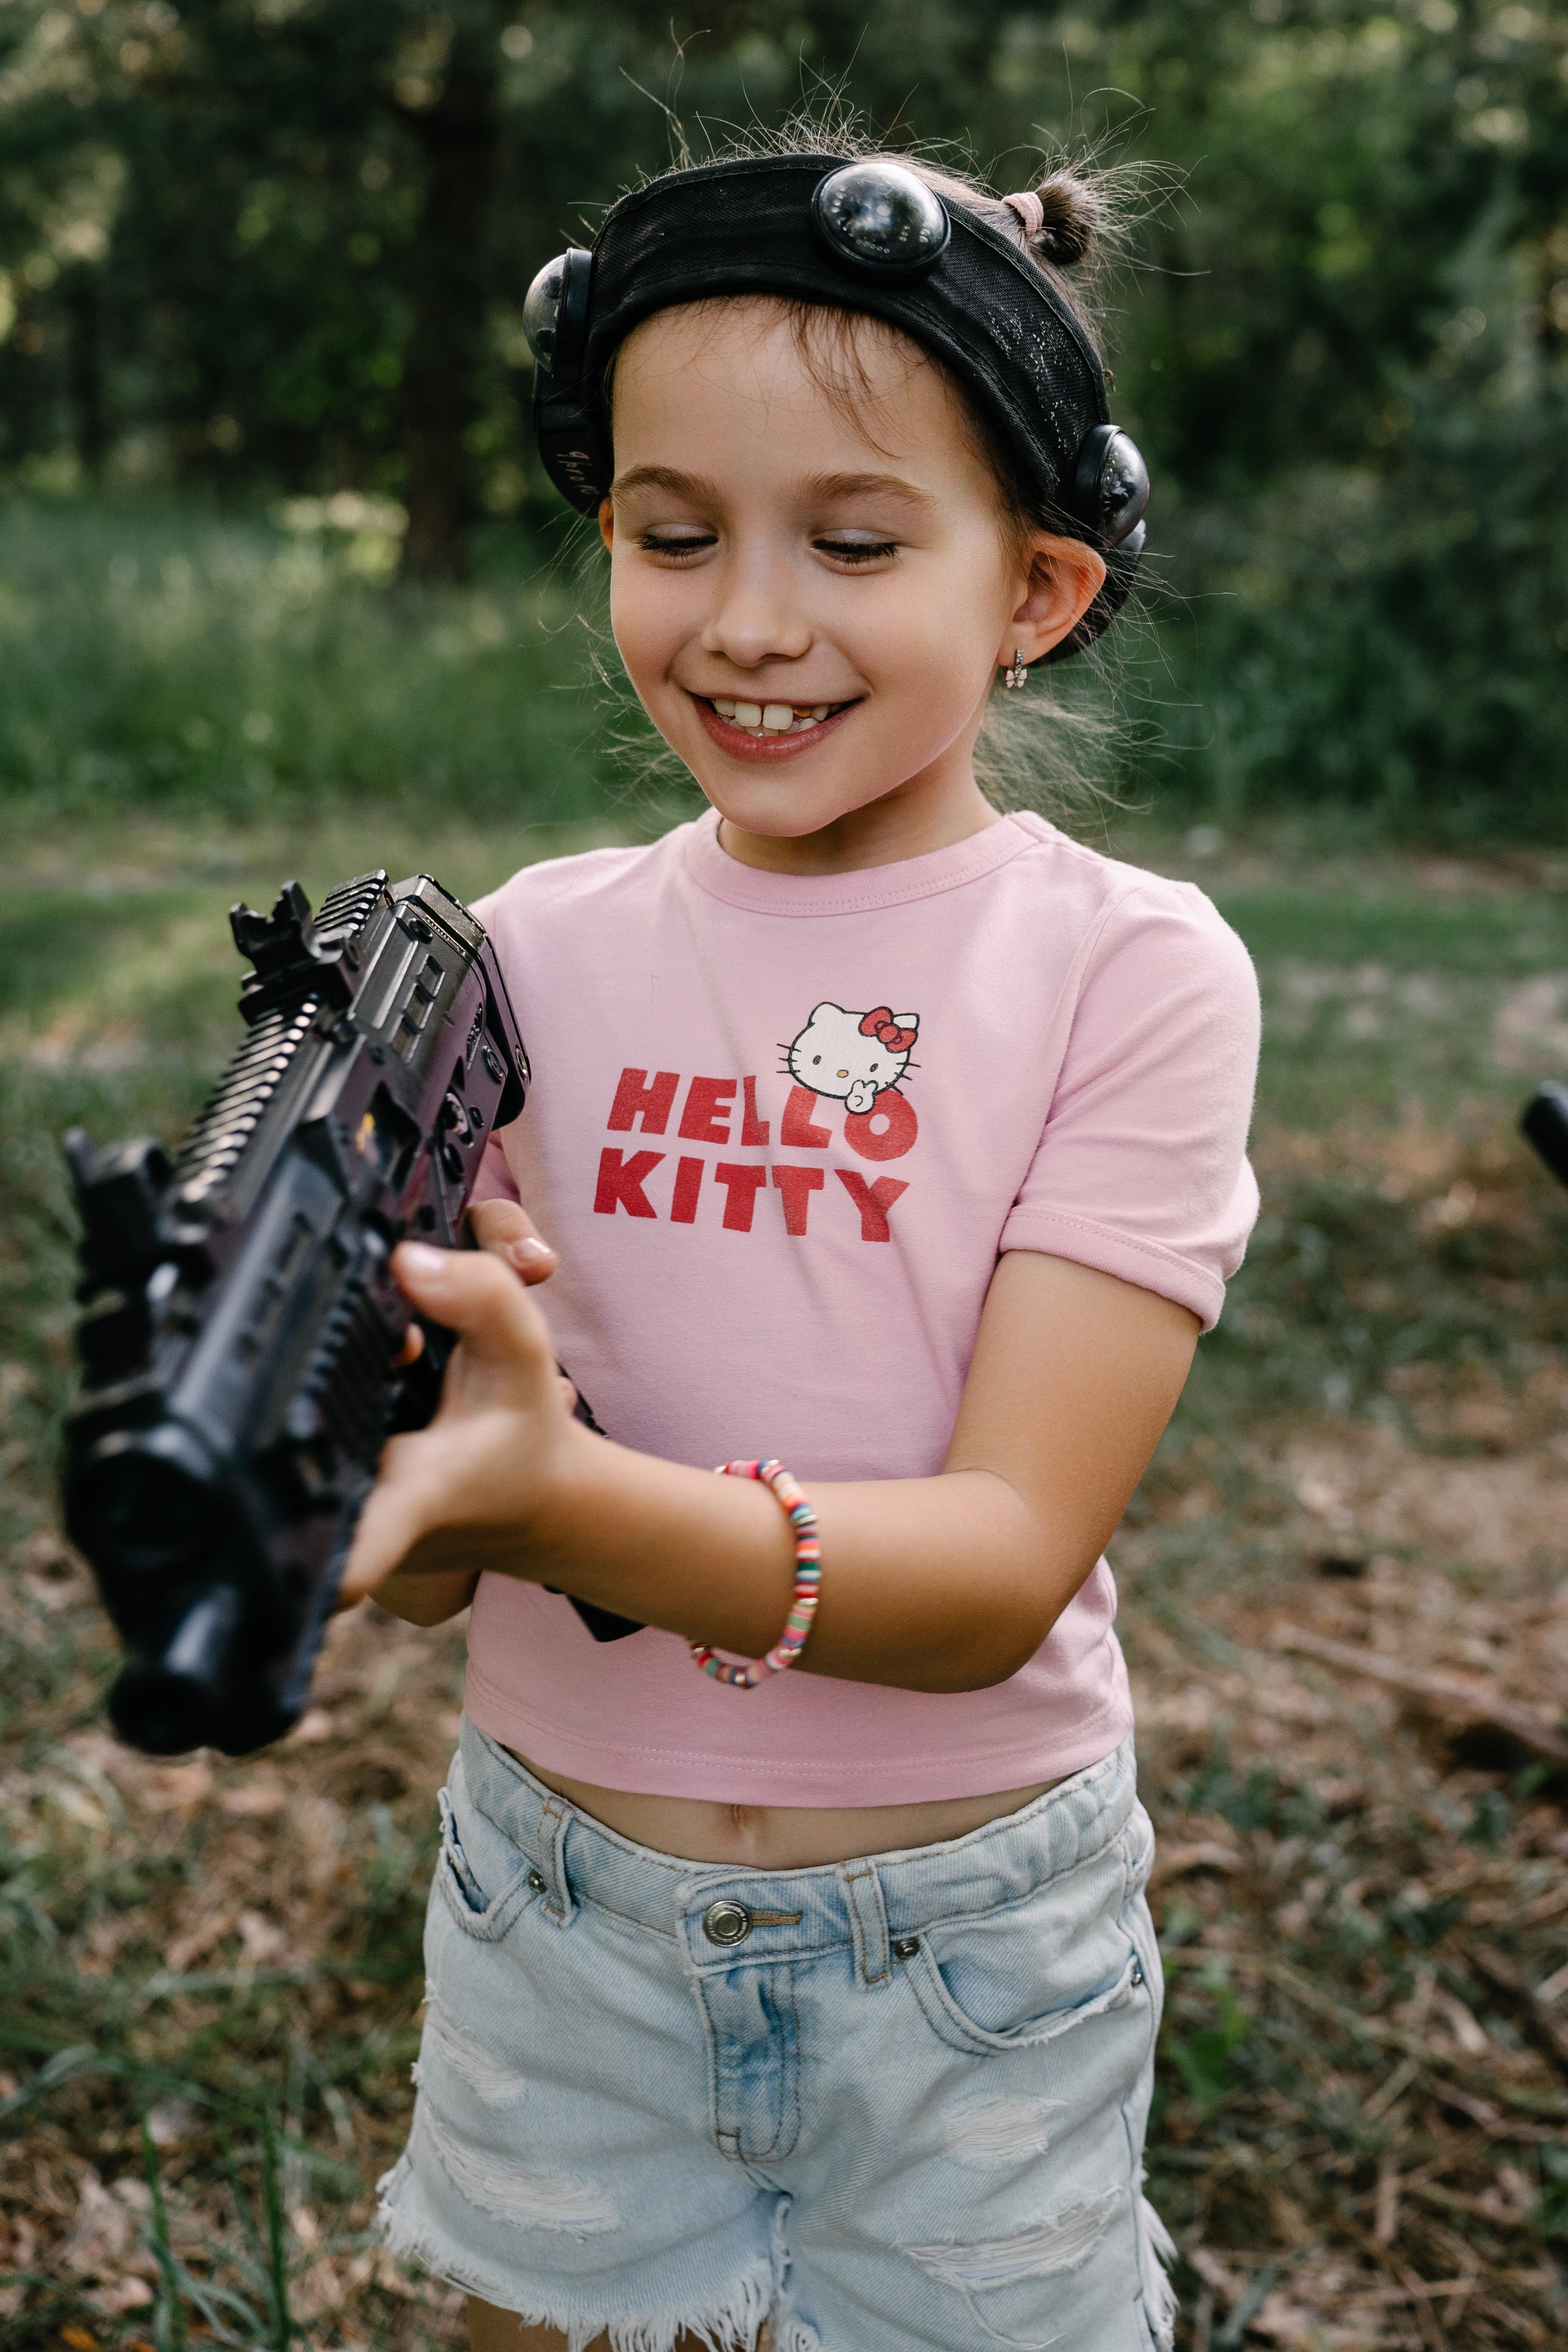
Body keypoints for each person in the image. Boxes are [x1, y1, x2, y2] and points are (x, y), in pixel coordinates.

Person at [341, 139, 1261, 2352]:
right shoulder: (526, 956)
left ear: (1034, 590)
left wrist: (557, 1497)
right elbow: (446, 1544)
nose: (747, 617)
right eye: (671, 536)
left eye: (851, 542)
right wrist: (364, 1441)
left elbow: (998, 1566)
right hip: (557, 1908)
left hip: (971, 1943)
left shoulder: (1127, 969)